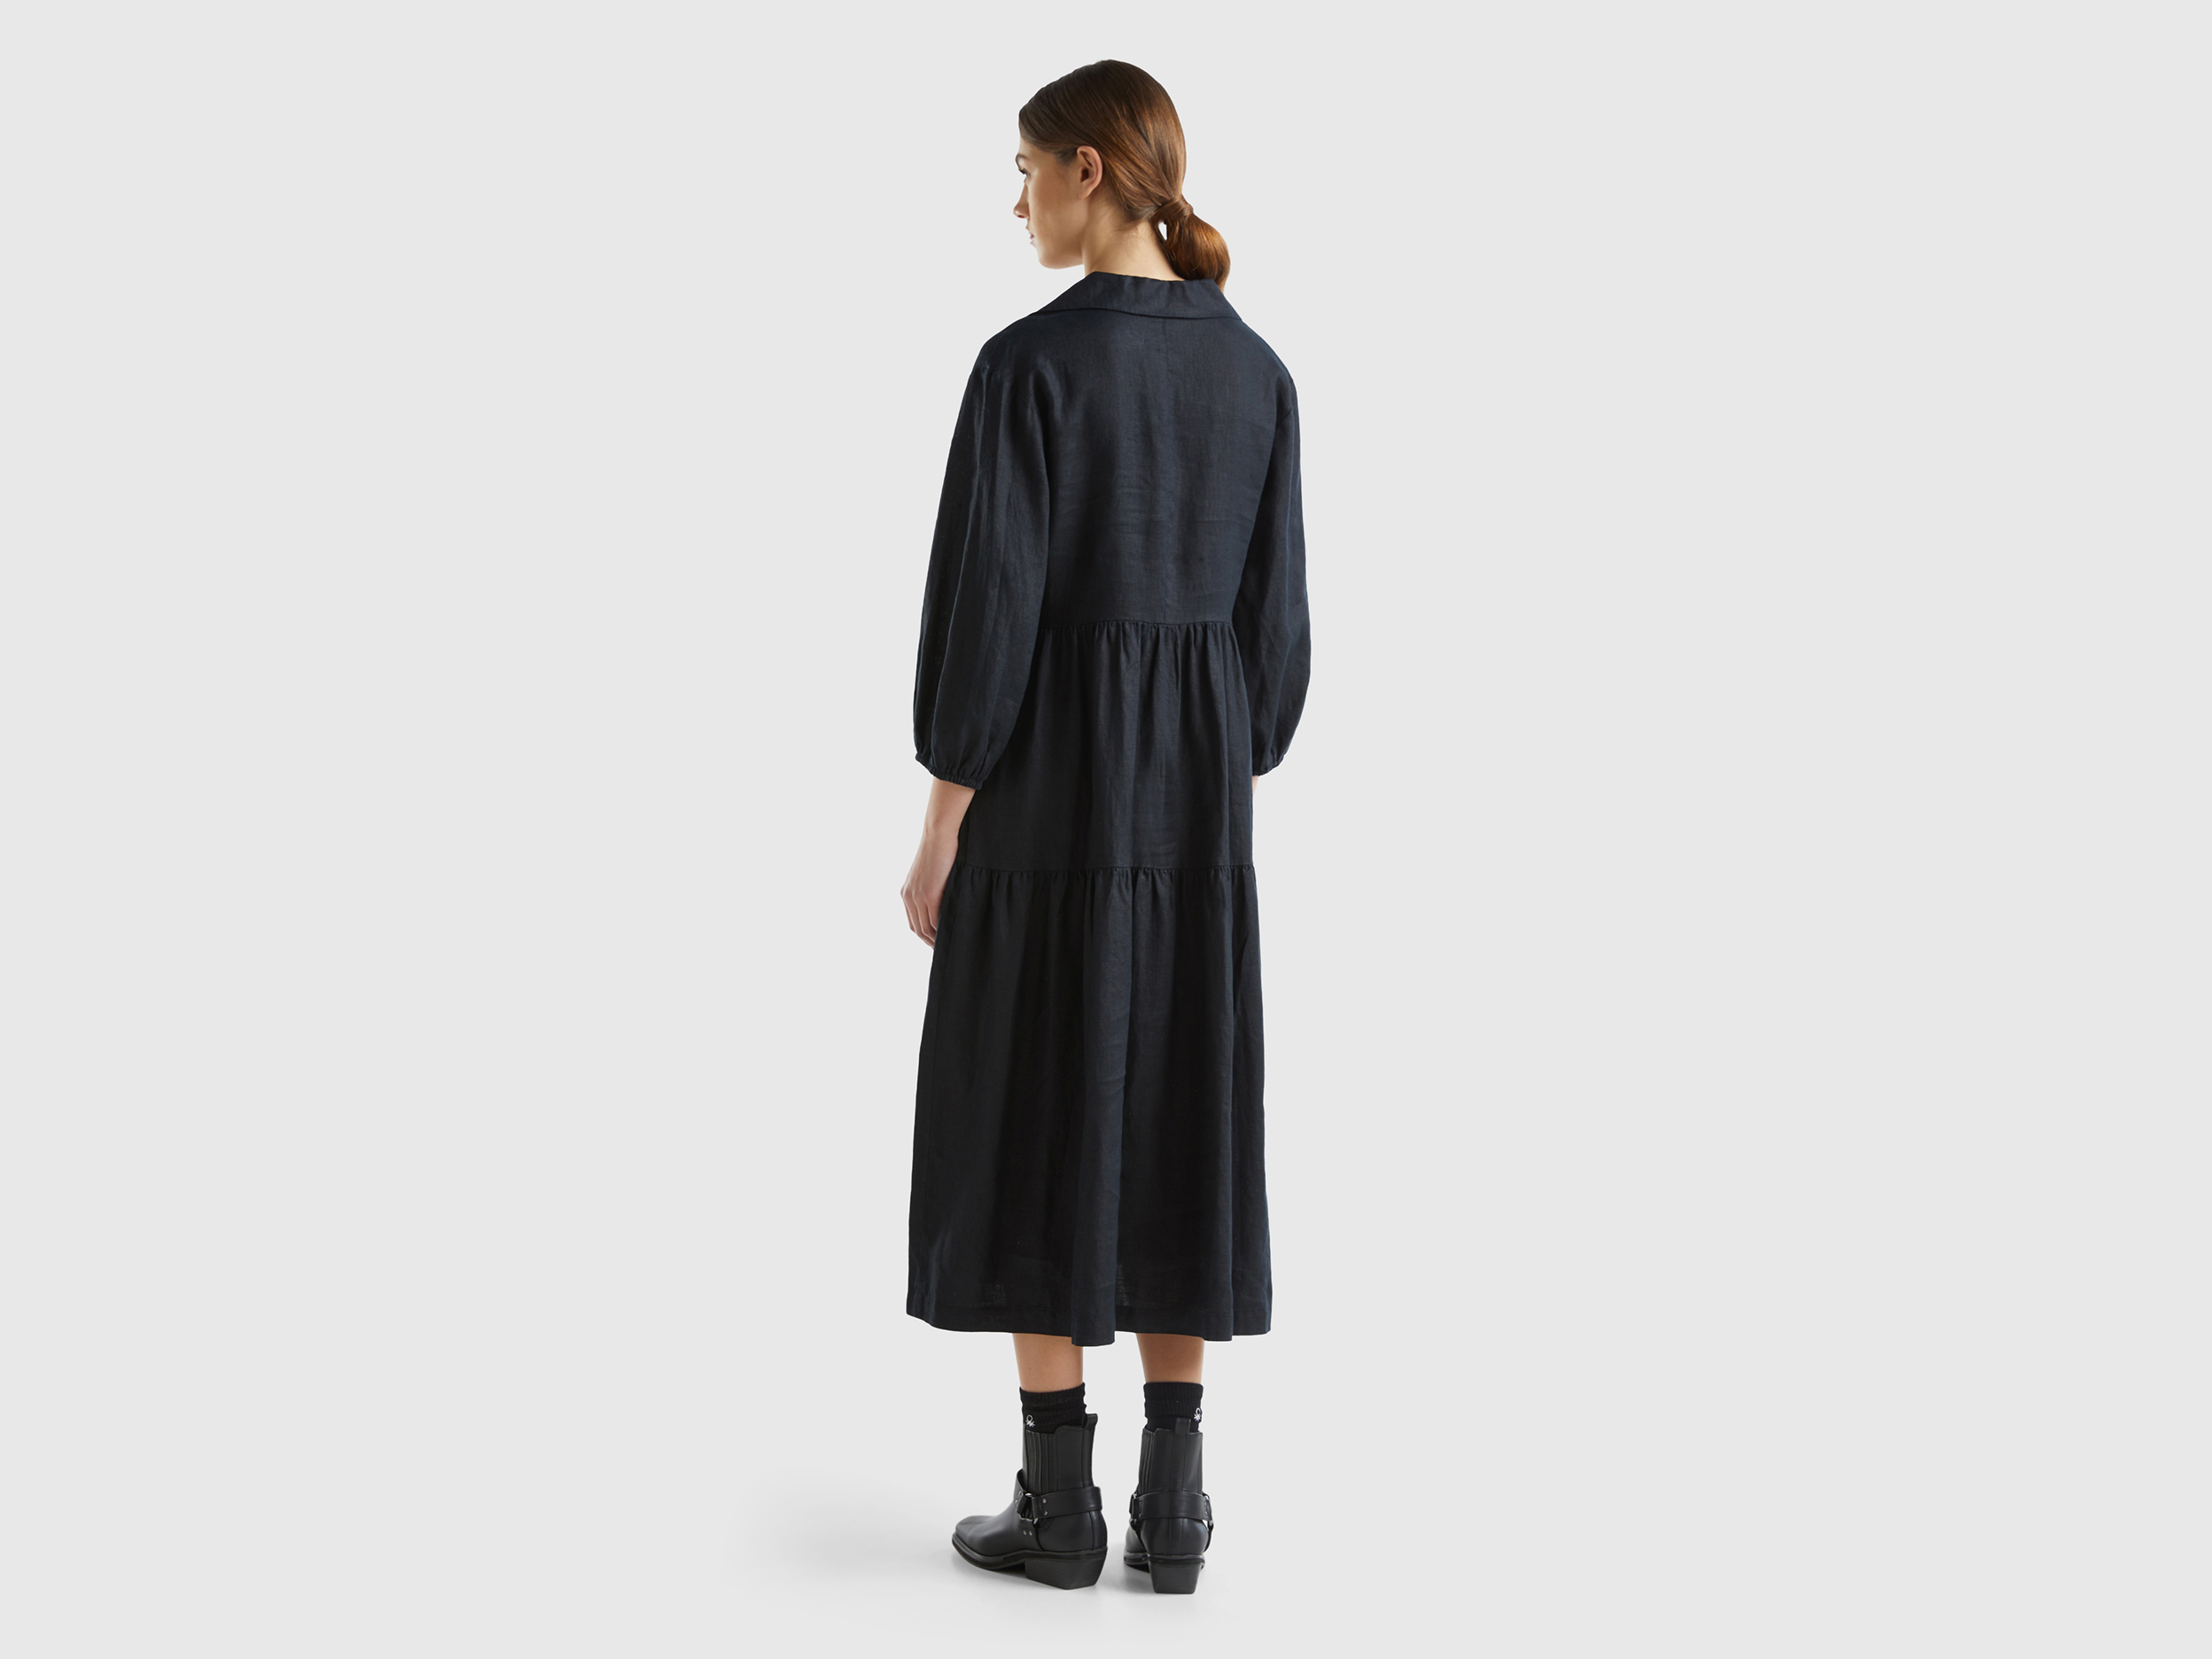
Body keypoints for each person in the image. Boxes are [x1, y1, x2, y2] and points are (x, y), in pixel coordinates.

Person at [900, 60, 1312, 1595]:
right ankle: (1177, 1507)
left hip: (1042, 799)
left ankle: (1058, 1502)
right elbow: (1276, 654)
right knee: (1182, 1103)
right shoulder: (1258, 374)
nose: (1016, 202)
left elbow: (988, 615)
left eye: (1025, 171)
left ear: (1088, 168)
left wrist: (944, 815)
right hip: (1195, 818)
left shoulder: (1026, 369)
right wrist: (1202, 754)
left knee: (1033, 1096)